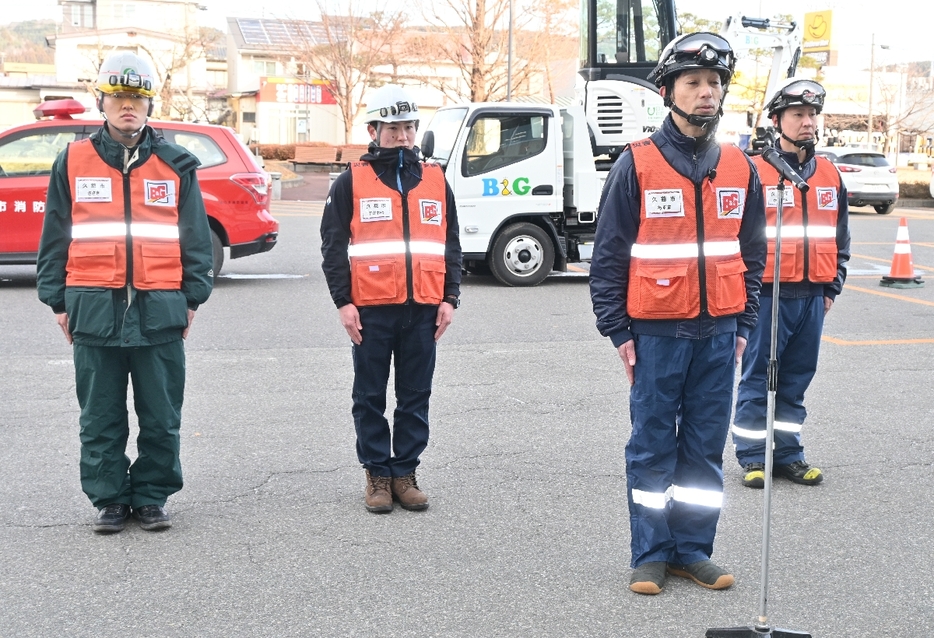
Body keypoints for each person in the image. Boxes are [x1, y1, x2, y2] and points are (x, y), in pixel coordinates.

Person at [589, 32, 767, 595]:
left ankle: (693, 549)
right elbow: (609, 254)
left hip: (719, 333)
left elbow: (753, 252)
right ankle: (651, 552)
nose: (706, 93)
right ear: (668, 91)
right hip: (656, 331)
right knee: (652, 444)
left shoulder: (740, 166)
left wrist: (743, 322)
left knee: (704, 445)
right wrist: (617, 330)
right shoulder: (636, 163)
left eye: (714, 83)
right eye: (693, 83)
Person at [36, 51, 214, 534]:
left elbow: (195, 237)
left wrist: (193, 297)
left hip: (161, 309)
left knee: (161, 416)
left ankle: (152, 496)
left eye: (136, 97)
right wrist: (56, 301)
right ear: (102, 102)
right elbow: (56, 235)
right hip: (93, 310)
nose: (127, 106)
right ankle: (110, 498)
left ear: (150, 103)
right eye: (117, 97)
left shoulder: (177, 164)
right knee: (100, 417)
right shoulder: (72, 161)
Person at [320, 85, 462, 513]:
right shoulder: (352, 181)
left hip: (423, 309)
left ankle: (405, 474)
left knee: (415, 395)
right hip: (370, 311)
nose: (402, 136)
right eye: (393, 128)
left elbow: (451, 243)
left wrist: (450, 297)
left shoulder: (436, 180)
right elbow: (332, 246)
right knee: (369, 397)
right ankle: (377, 476)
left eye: (408, 128)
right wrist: (343, 302)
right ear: (374, 130)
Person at [732, 78, 850, 488]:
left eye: (812, 114)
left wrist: (832, 286)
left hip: (813, 295)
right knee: (760, 376)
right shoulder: (755, 171)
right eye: (798, 114)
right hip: (767, 294)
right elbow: (740, 235)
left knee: (797, 378)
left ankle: (788, 453)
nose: (807, 122)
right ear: (778, 120)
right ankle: (752, 456)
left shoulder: (830, 174)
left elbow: (840, 235)